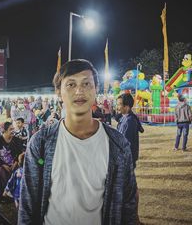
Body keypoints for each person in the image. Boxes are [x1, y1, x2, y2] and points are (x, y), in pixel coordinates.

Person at [18, 59, 137, 224]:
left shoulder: (118, 144)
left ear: (96, 90)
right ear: (58, 92)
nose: (80, 91)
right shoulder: (40, 143)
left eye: (87, 84)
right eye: (71, 85)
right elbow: (27, 206)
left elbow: (128, 204)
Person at [116, 93, 144, 225]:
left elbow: (124, 144)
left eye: (119, 104)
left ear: (127, 107)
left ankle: (134, 219)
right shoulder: (126, 118)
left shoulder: (129, 121)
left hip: (126, 160)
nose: (117, 107)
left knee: (131, 190)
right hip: (125, 160)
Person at [0, 121, 25, 195]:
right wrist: (3, 165)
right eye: (11, 129)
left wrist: (16, 162)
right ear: (5, 131)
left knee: (19, 172)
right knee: (1, 172)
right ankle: (4, 193)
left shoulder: (16, 140)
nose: (13, 131)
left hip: (14, 163)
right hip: (1, 164)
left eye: (13, 129)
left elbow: (20, 152)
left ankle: (15, 192)